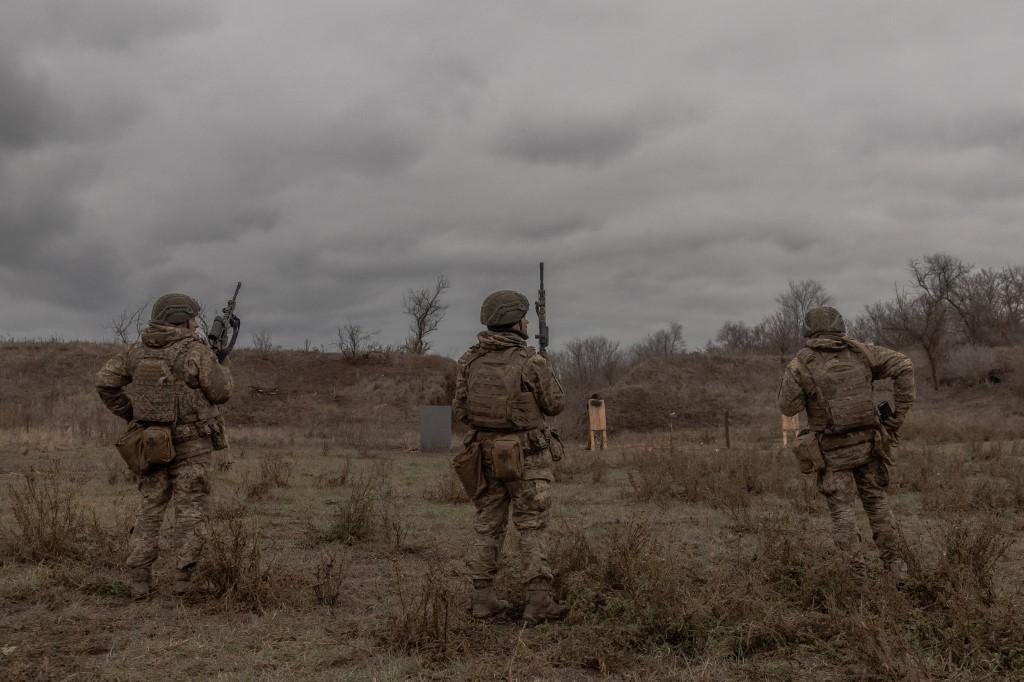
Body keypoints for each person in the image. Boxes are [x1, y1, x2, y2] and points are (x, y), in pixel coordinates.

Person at [96, 293, 233, 599]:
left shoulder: (137, 350)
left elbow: (105, 382)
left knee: (149, 511)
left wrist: (132, 414)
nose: (197, 322)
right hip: (191, 444)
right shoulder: (195, 351)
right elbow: (221, 393)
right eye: (193, 317)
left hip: (151, 443)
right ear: (181, 319)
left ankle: (138, 582)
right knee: (190, 514)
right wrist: (223, 361)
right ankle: (183, 584)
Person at [452, 290, 567, 623]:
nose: (528, 321)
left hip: (484, 456)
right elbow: (555, 404)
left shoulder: (469, 360)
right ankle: (539, 601)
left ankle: (482, 599)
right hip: (527, 456)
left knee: (488, 527)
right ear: (515, 322)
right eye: (525, 317)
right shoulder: (531, 361)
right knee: (532, 526)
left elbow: (461, 410)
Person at [778, 305, 915, 579]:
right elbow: (904, 365)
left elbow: (788, 406)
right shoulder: (862, 352)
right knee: (877, 504)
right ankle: (897, 570)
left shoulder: (800, 364)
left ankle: (857, 578)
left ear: (809, 329)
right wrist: (897, 417)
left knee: (843, 513)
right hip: (870, 445)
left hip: (831, 452)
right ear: (840, 326)